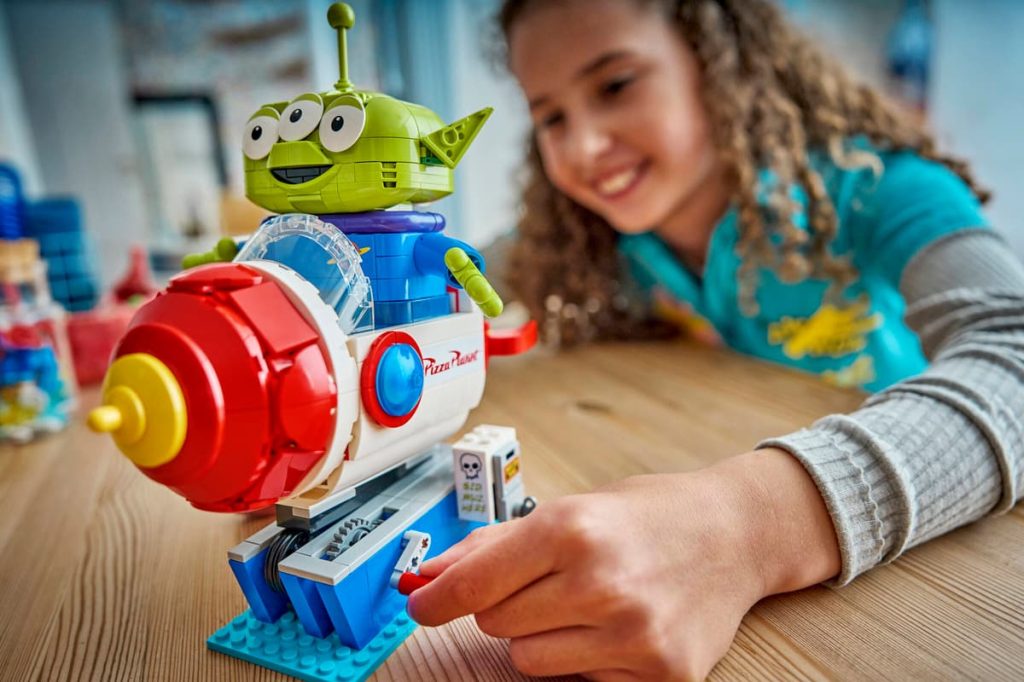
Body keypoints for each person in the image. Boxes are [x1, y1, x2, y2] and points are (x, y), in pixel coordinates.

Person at [408, 0, 1024, 679]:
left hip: (924, 572)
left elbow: (1014, 352)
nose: (582, 146)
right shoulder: (590, 237)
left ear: (721, 62)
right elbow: (445, 271)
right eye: (551, 116)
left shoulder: (881, 187)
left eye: (615, 85)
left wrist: (748, 527)